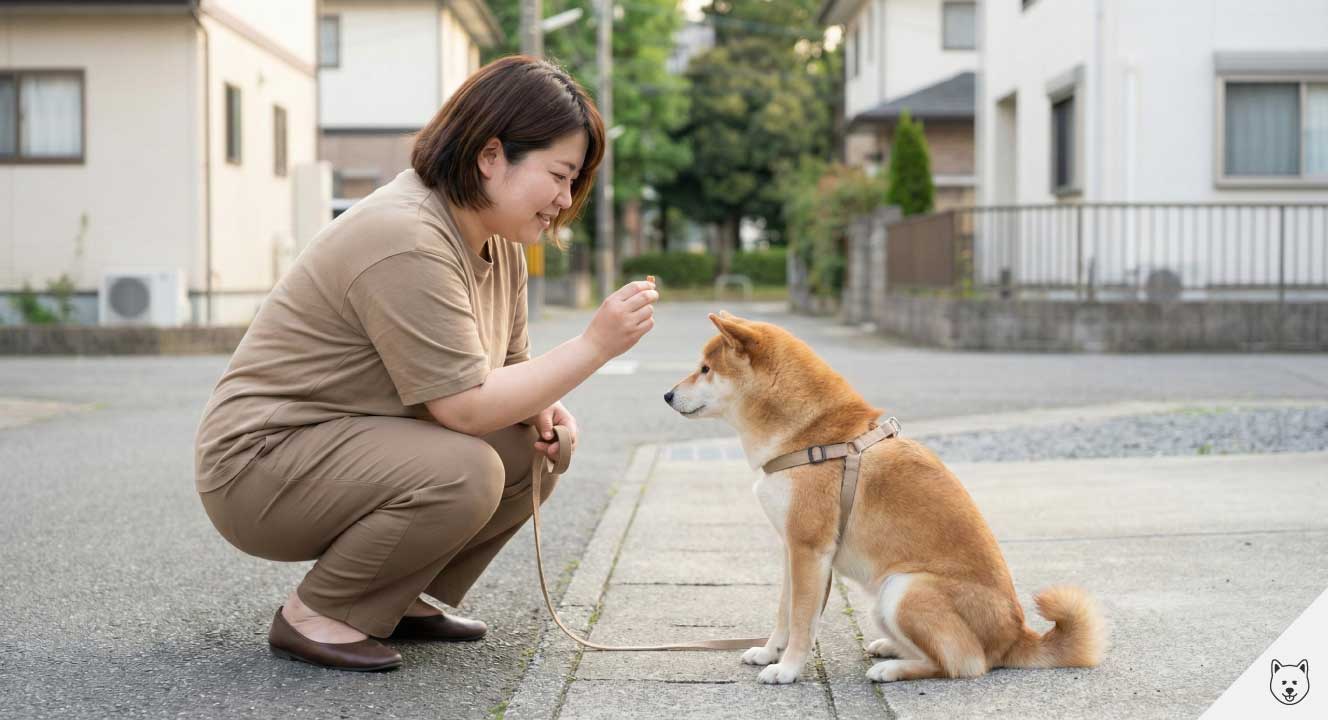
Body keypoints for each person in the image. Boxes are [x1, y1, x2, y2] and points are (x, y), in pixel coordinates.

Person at [193, 56, 658, 672]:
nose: (565, 199)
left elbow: (510, 368)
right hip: (258, 466)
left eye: (574, 182)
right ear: (490, 156)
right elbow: (465, 406)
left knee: (531, 447)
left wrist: (547, 410)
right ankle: (320, 613)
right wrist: (594, 346)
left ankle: (396, 599)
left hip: (343, 444)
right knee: (466, 470)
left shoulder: (499, 237)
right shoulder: (407, 234)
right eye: (559, 174)